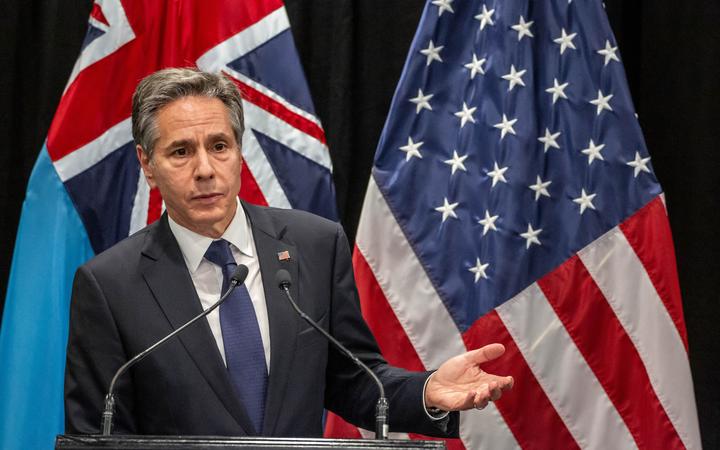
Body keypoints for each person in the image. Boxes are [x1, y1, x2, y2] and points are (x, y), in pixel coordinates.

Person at [64, 68, 513, 437]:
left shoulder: (314, 246)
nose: (205, 170)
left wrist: (427, 391)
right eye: (180, 152)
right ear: (147, 164)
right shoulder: (110, 285)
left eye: (219, 146)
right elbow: (100, 433)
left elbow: (354, 379)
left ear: (239, 151)